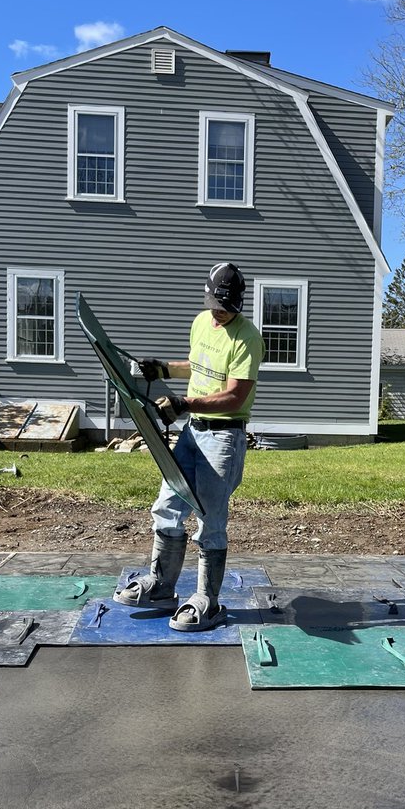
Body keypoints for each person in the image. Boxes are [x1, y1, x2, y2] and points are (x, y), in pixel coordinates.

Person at [114, 262, 264, 631]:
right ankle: (161, 587)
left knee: (210, 520)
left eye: (227, 306)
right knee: (167, 505)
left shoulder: (248, 338)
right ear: (207, 296)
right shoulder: (200, 323)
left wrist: (184, 403)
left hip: (224, 437)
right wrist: (163, 369)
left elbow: (235, 395)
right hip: (192, 432)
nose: (220, 311)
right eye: (215, 304)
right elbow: (199, 366)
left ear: (239, 303)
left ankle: (207, 601)